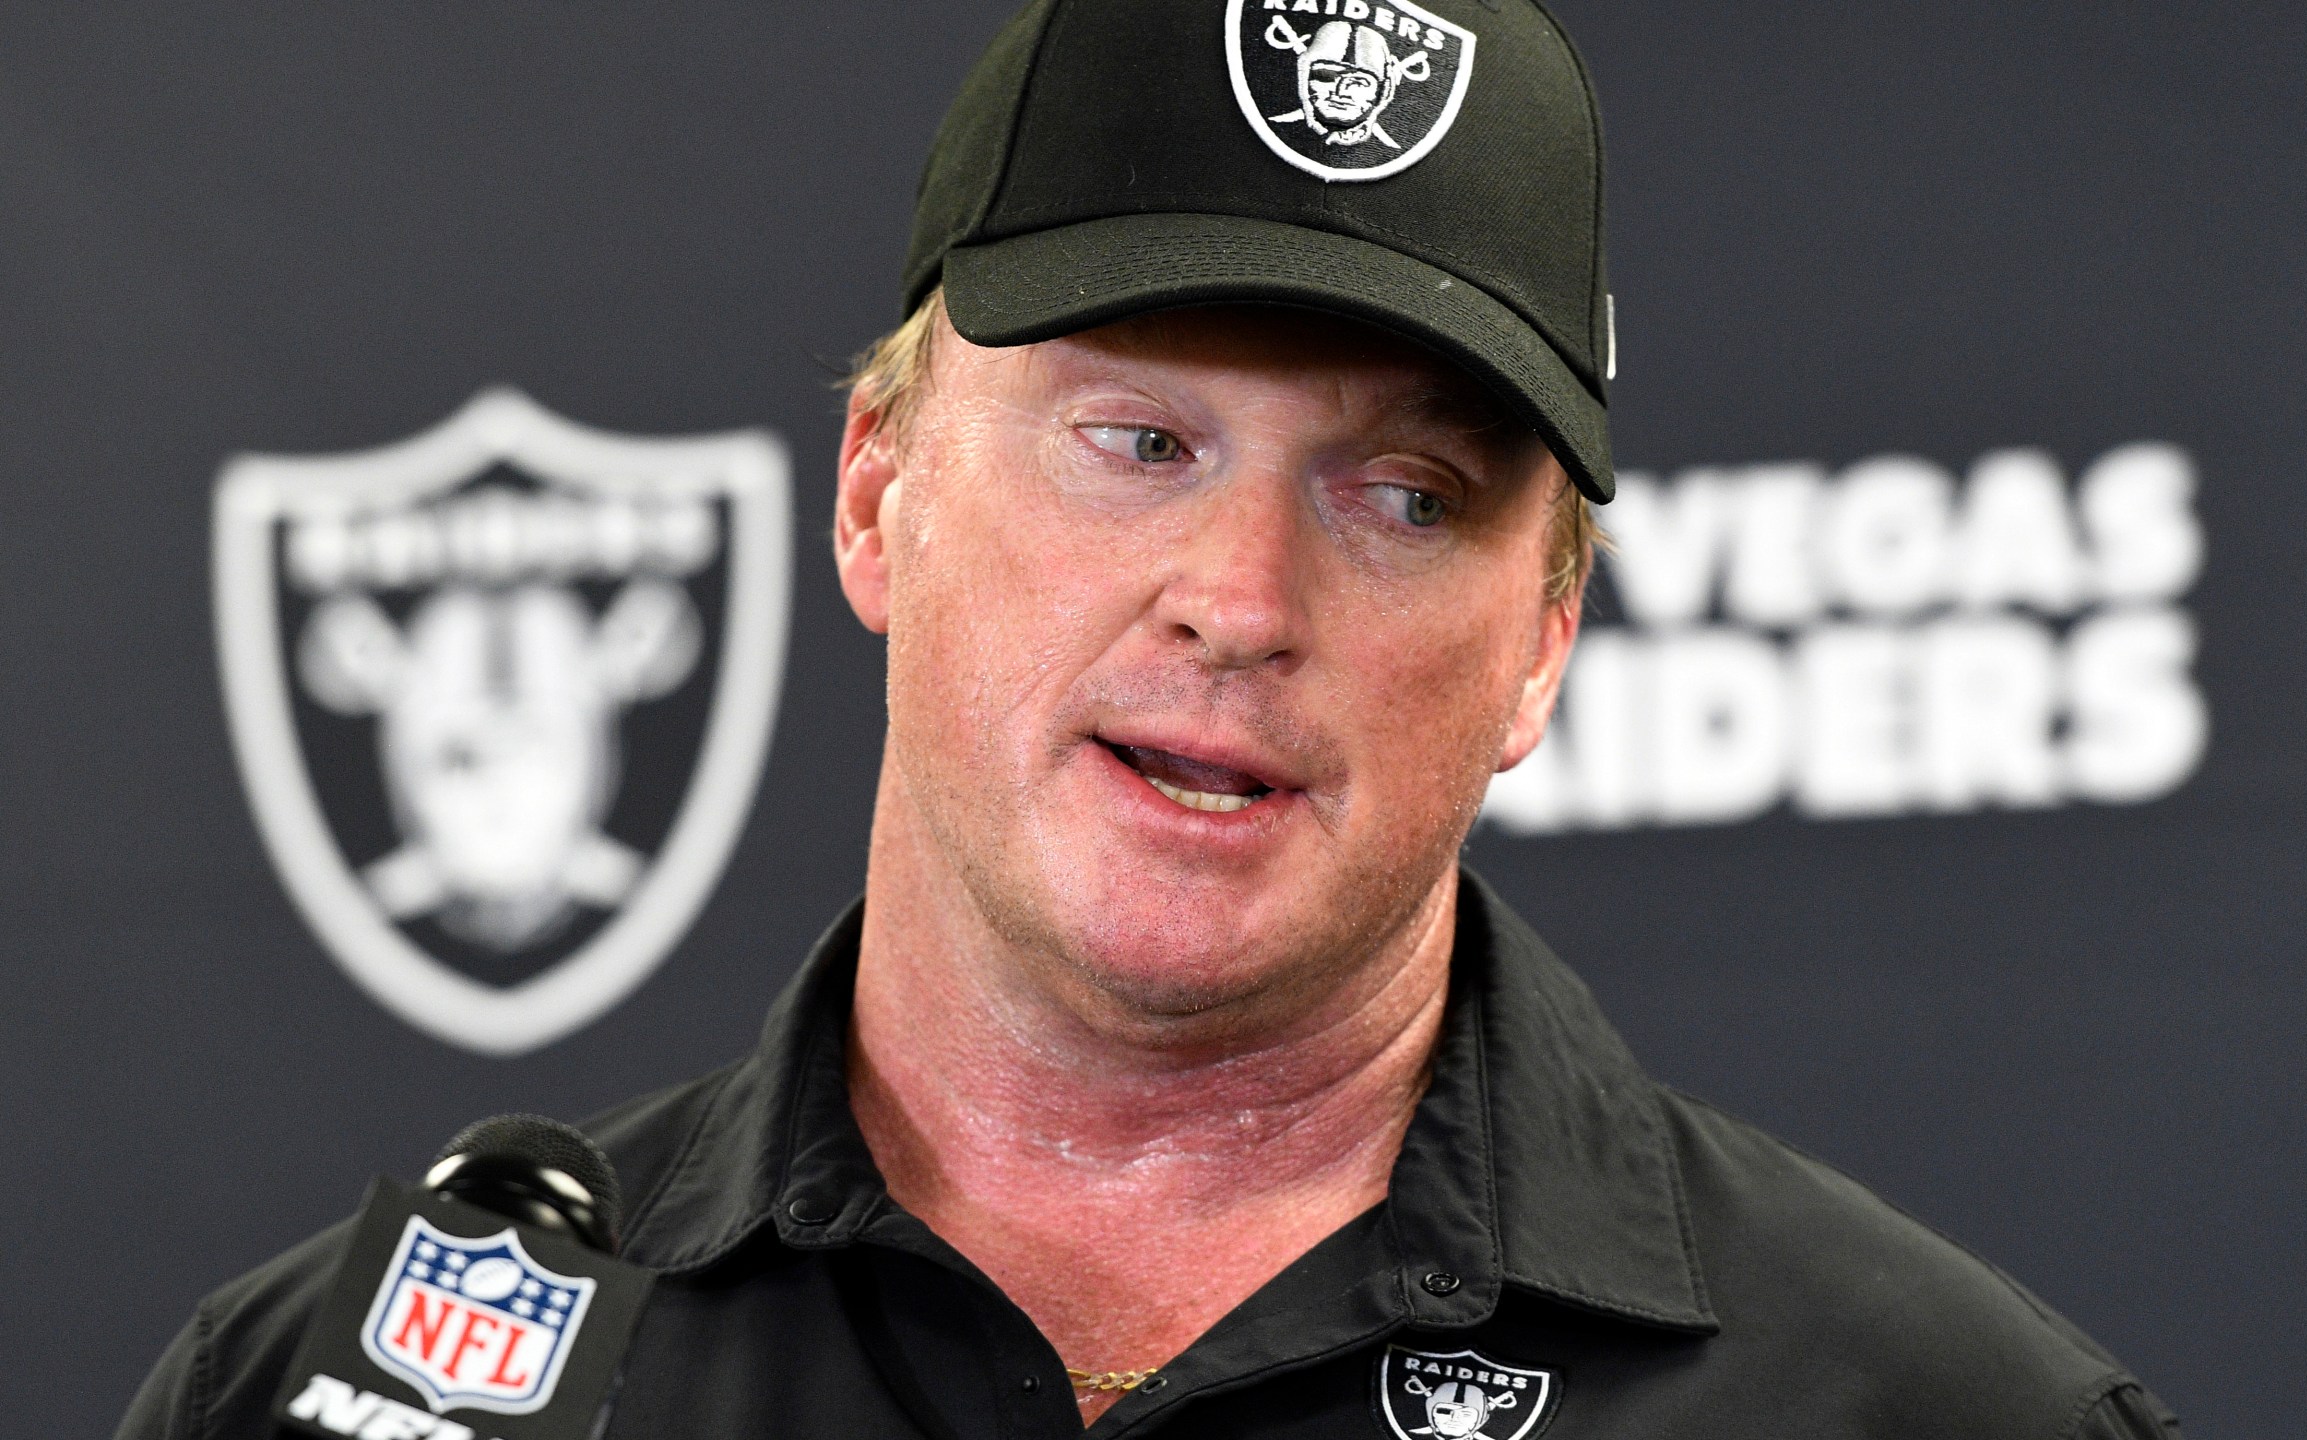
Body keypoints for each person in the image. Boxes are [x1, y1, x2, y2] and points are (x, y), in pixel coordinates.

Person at [121, 1, 2182, 1436]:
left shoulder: (1929, 1416)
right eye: (1135, 438)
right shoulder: (350, 1396)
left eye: (1406, 497)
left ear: (1542, 644)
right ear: (873, 493)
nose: (1240, 601)